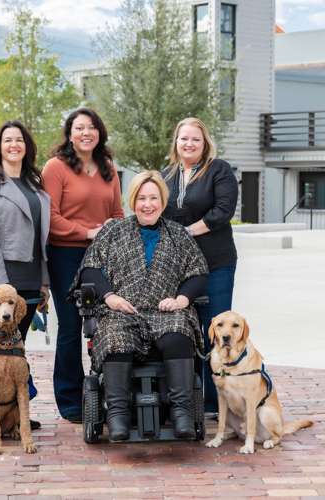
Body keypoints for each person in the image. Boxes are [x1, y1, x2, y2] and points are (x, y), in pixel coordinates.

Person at [74, 170, 208, 441]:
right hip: (123, 311)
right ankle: (118, 415)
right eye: (142, 198)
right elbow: (90, 268)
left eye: (154, 198)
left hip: (165, 311)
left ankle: (182, 412)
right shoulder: (113, 231)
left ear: (163, 201)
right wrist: (109, 296)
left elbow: (198, 273)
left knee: (179, 332)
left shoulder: (178, 234)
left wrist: (182, 299)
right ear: (133, 201)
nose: (148, 204)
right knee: (114, 337)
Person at [42, 107, 124, 424]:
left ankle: (107, 392)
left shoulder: (108, 168)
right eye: (79, 128)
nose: (86, 133)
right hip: (66, 255)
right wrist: (88, 232)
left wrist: (113, 234)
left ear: (99, 132)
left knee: (106, 323)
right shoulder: (56, 167)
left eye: (91, 127)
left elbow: (117, 213)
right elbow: (51, 217)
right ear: (70, 134)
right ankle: (70, 399)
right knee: (71, 326)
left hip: (102, 256)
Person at [0, 120, 51, 429]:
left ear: (26, 146)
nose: (14, 144)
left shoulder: (35, 184)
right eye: (7, 140)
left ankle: (16, 417)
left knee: (18, 350)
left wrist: (44, 281)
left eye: (19, 139)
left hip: (31, 276)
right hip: (0, 276)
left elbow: (41, 238)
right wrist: (1, 285)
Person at [162, 117, 239, 415]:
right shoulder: (166, 174)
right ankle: (187, 399)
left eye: (195, 139)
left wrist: (187, 232)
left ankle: (214, 403)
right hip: (179, 268)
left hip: (216, 263)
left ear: (205, 142)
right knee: (184, 331)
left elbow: (223, 211)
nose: (189, 143)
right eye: (184, 138)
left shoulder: (218, 169)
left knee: (216, 331)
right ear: (176, 142)